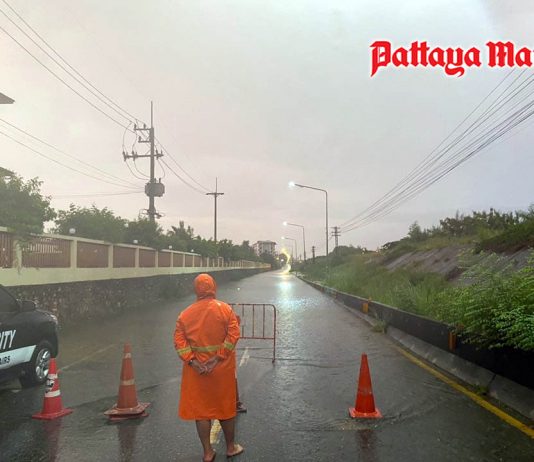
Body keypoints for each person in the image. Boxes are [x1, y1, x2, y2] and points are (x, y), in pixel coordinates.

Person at [174, 273, 244, 462]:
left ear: (195, 289)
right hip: (221, 369)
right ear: (213, 287)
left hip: (197, 371)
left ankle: (207, 452)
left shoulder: (185, 314)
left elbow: (179, 342)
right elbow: (233, 335)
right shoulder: (225, 309)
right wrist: (218, 357)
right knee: (225, 409)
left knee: (202, 412)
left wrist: (192, 361)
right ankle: (231, 447)